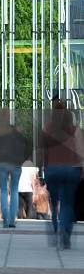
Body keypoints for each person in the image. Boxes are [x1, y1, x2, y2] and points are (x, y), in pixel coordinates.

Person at [40, 99, 84, 249]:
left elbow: (43, 152)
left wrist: (45, 168)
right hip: (71, 170)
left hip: (53, 169)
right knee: (67, 203)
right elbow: (80, 152)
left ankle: (55, 227)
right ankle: (66, 233)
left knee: (54, 201)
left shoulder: (47, 128)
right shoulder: (74, 129)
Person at [0, 108, 30, 228]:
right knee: (14, 190)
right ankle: (12, 220)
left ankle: (5, 219)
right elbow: (26, 143)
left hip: (2, 163)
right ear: (9, 117)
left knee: (3, 190)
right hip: (16, 164)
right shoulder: (15, 130)